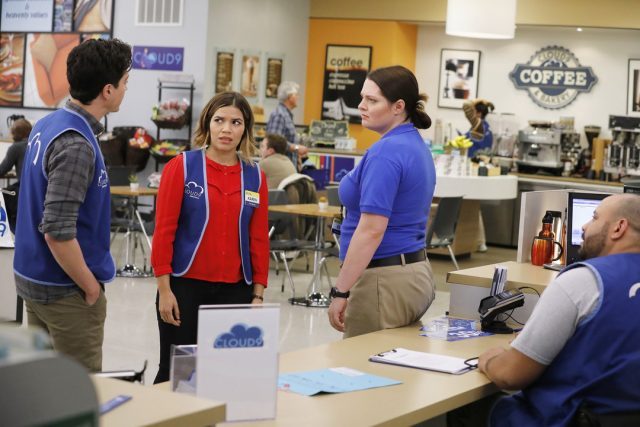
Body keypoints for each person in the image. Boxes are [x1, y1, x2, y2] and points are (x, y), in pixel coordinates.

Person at [462, 194, 640, 427]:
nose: (584, 226)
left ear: (619, 227)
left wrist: (490, 359)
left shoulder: (584, 280)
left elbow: (510, 375)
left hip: (569, 418)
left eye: (595, 218)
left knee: (468, 409)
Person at [13, 38, 131, 372]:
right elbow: (57, 230)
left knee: (45, 386)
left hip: (35, 278)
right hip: (65, 289)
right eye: (125, 82)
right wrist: (90, 287)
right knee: (78, 389)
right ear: (107, 90)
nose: (126, 90)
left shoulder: (48, 124)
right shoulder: (76, 143)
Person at [151, 91, 270, 384]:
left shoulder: (255, 176)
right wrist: (164, 290)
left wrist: (257, 295)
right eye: (219, 120)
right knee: (178, 374)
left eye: (236, 122)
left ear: (245, 129)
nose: (226, 129)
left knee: (224, 377)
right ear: (207, 123)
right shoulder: (182, 166)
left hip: (236, 292)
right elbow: (164, 231)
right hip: (184, 288)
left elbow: (258, 238)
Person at [327, 65, 436, 338]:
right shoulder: (414, 144)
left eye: (372, 100)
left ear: (398, 106)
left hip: (382, 278)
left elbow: (371, 230)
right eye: (362, 98)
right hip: (412, 272)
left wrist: (341, 290)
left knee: (360, 363)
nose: (361, 106)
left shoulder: (386, 152)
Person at [0, 118, 32, 233]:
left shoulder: (16, 147)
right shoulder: (36, 143)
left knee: (3, 195)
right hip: (36, 189)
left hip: (23, 190)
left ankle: (9, 232)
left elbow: (2, 169)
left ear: (15, 134)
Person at [266, 81, 309, 164]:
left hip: (287, 164)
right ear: (290, 97)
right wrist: (296, 148)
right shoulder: (279, 115)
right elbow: (275, 143)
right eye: (296, 95)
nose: (298, 97)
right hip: (280, 166)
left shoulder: (286, 115)